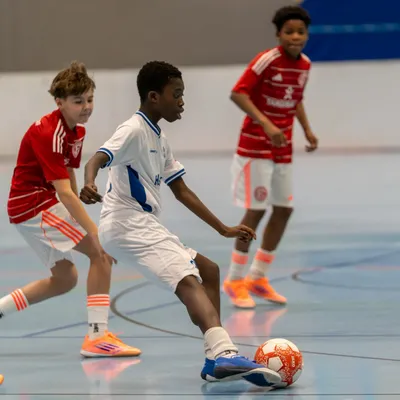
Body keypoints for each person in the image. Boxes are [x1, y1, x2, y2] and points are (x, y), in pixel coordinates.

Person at [79, 60, 282, 387]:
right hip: (128, 223)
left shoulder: (159, 138)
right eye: (176, 94)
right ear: (153, 96)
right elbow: (97, 159)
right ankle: (223, 351)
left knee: (209, 270)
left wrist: (223, 228)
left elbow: (182, 191)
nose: (182, 101)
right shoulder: (133, 129)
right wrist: (89, 182)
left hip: (140, 224)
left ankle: (214, 357)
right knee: (187, 279)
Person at [1, 61, 140, 358]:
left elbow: (68, 174)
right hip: (33, 205)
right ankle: (97, 337)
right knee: (101, 254)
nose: (86, 107)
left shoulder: (75, 130)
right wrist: (95, 232)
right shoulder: (50, 132)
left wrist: (79, 204)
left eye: (90, 99)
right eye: (78, 101)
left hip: (35, 205)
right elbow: (63, 192)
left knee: (65, 280)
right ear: (59, 102)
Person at [223, 5, 318, 308]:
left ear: (307, 35)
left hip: (283, 149)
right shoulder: (267, 60)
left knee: (284, 209)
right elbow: (238, 93)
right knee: (255, 211)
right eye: (289, 32)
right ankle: (234, 279)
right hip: (255, 148)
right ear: (279, 34)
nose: (295, 37)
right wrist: (266, 123)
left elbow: (296, 99)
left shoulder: (305, 65)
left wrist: (307, 130)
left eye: (300, 32)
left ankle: (258, 277)